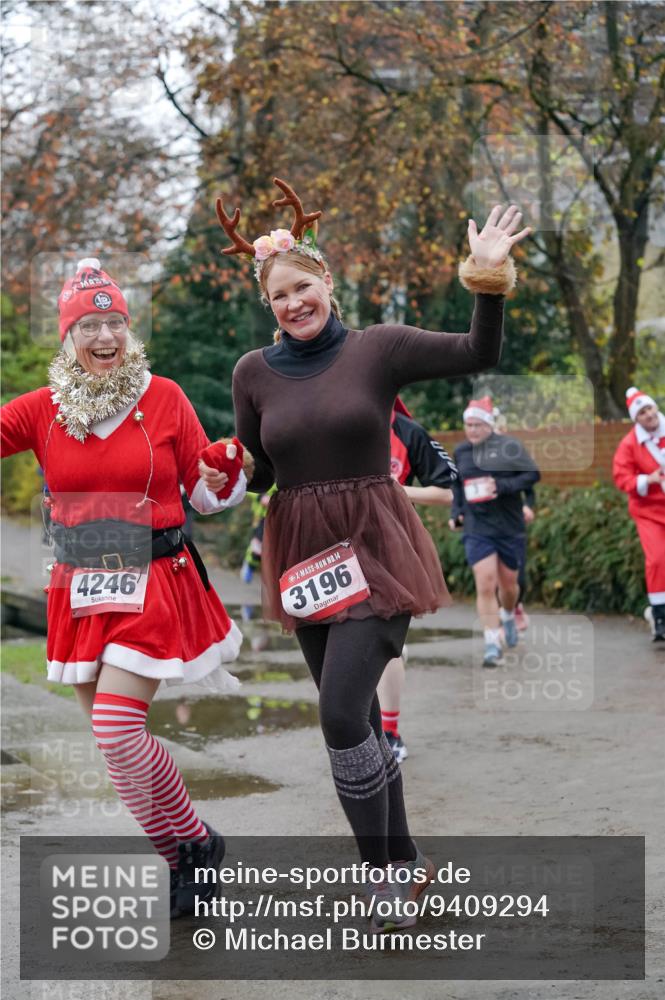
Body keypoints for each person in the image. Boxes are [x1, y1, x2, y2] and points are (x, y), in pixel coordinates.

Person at [208, 177, 530, 931]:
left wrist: (486, 279)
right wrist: (212, 474)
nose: (292, 303)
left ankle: (381, 876)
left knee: (338, 713)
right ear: (270, 306)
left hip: (376, 546)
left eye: (302, 287)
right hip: (302, 556)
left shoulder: (377, 349)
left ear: (327, 283)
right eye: (278, 296)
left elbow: (477, 350)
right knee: (350, 725)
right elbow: (256, 467)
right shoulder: (251, 373)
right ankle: (404, 862)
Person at [0, 258, 250, 918]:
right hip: (80, 587)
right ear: (69, 337)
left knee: (115, 729)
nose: (104, 336)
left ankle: (197, 838)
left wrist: (223, 472)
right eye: (89, 325)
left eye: (114, 322)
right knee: (118, 748)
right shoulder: (43, 410)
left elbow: (203, 493)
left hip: (152, 580)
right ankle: (182, 862)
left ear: (129, 331)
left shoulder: (163, 397)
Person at [378, 398, 457, 763]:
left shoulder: (407, 431)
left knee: (383, 641)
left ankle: (389, 733)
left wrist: (398, 490)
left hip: (391, 543)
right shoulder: (330, 422)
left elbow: (447, 490)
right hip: (337, 546)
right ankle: (359, 730)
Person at [449, 396, 540, 667]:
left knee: (509, 586)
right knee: (486, 583)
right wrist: (457, 513)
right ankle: (491, 642)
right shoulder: (461, 452)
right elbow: (458, 486)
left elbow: (532, 475)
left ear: (489, 425)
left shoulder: (509, 447)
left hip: (509, 525)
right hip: (478, 527)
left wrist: (501, 486)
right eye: (468, 425)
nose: (472, 430)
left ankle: (509, 614)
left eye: (478, 425)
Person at [613, 387, 665, 642]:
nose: (648, 415)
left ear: (656, 408)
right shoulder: (629, 445)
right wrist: (649, 479)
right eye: (641, 413)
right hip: (648, 511)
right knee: (657, 560)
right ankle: (659, 616)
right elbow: (621, 478)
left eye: (649, 409)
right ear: (636, 419)